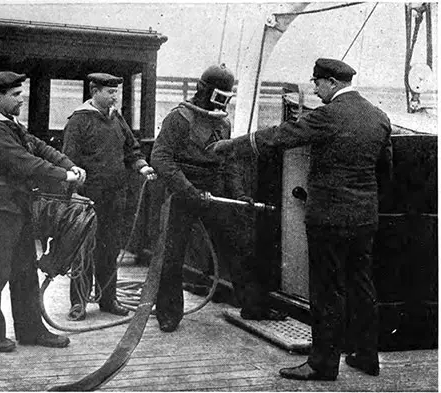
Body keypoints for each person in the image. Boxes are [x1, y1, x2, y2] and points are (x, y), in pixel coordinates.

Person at [210, 58, 393, 380]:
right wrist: (364, 203)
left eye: (317, 83)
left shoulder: (328, 115)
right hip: (364, 218)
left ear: (332, 83)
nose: (314, 88)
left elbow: (282, 134)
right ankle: (366, 355)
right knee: (362, 285)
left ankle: (322, 364)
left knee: (327, 290)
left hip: (329, 218)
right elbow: (384, 172)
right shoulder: (379, 117)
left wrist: (233, 146)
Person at [151, 63, 288, 333]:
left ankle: (253, 306)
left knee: (238, 247)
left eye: (226, 99)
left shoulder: (223, 123)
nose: (221, 104)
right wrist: (187, 190)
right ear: (205, 91)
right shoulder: (179, 119)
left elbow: (227, 163)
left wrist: (239, 193)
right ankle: (168, 313)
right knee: (173, 253)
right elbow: (160, 157)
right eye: (218, 97)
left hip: (213, 193)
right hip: (184, 192)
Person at [0, 71, 87, 352]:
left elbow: (38, 146)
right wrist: (64, 176)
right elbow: (25, 163)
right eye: (16, 95)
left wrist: (68, 163)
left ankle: (31, 331)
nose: (21, 99)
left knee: (24, 271)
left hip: (13, 206)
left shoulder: (7, 122)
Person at [62, 72, 157, 321]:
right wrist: (74, 195)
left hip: (115, 197)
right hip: (88, 199)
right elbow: (68, 160)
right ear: (95, 91)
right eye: (110, 92)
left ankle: (108, 299)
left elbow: (131, 148)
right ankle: (79, 302)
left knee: (110, 248)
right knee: (83, 250)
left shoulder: (117, 119)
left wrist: (141, 165)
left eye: (116, 91)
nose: (115, 96)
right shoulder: (78, 121)